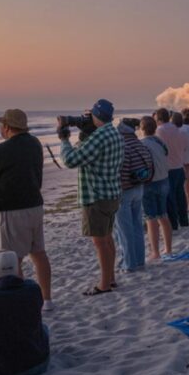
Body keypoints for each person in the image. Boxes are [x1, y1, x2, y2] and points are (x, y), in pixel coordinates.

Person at [0, 108, 53, 310]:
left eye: (1, 125)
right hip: (34, 204)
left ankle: (18, 304)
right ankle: (47, 299)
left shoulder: (2, 150)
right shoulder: (34, 143)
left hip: (13, 208)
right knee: (39, 253)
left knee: (12, 259)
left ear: (6, 127)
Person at [58, 99, 123, 296]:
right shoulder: (114, 132)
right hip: (111, 192)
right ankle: (110, 278)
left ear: (96, 115)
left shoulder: (100, 136)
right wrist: (85, 135)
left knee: (100, 242)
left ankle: (104, 284)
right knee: (107, 238)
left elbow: (71, 160)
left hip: (96, 194)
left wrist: (64, 139)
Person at [114, 119, 154, 273]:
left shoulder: (122, 146)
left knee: (124, 230)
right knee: (137, 226)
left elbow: (119, 169)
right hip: (139, 188)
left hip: (125, 191)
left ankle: (129, 264)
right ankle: (139, 260)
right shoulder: (139, 144)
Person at [139, 116, 174, 260]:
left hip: (150, 182)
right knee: (163, 215)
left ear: (142, 129)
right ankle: (168, 249)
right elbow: (166, 154)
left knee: (151, 218)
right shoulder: (160, 142)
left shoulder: (141, 144)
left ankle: (155, 252)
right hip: (164, 179)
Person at [155, 108, 189, 230]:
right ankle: (184, 220)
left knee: (170, 198)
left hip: (168, 169)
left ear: (159, 119)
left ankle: (174, 223)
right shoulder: (181, 131)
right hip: (179, 167)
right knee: (180, 195)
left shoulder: (160, 130)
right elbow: (185, 147)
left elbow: (158, 149)